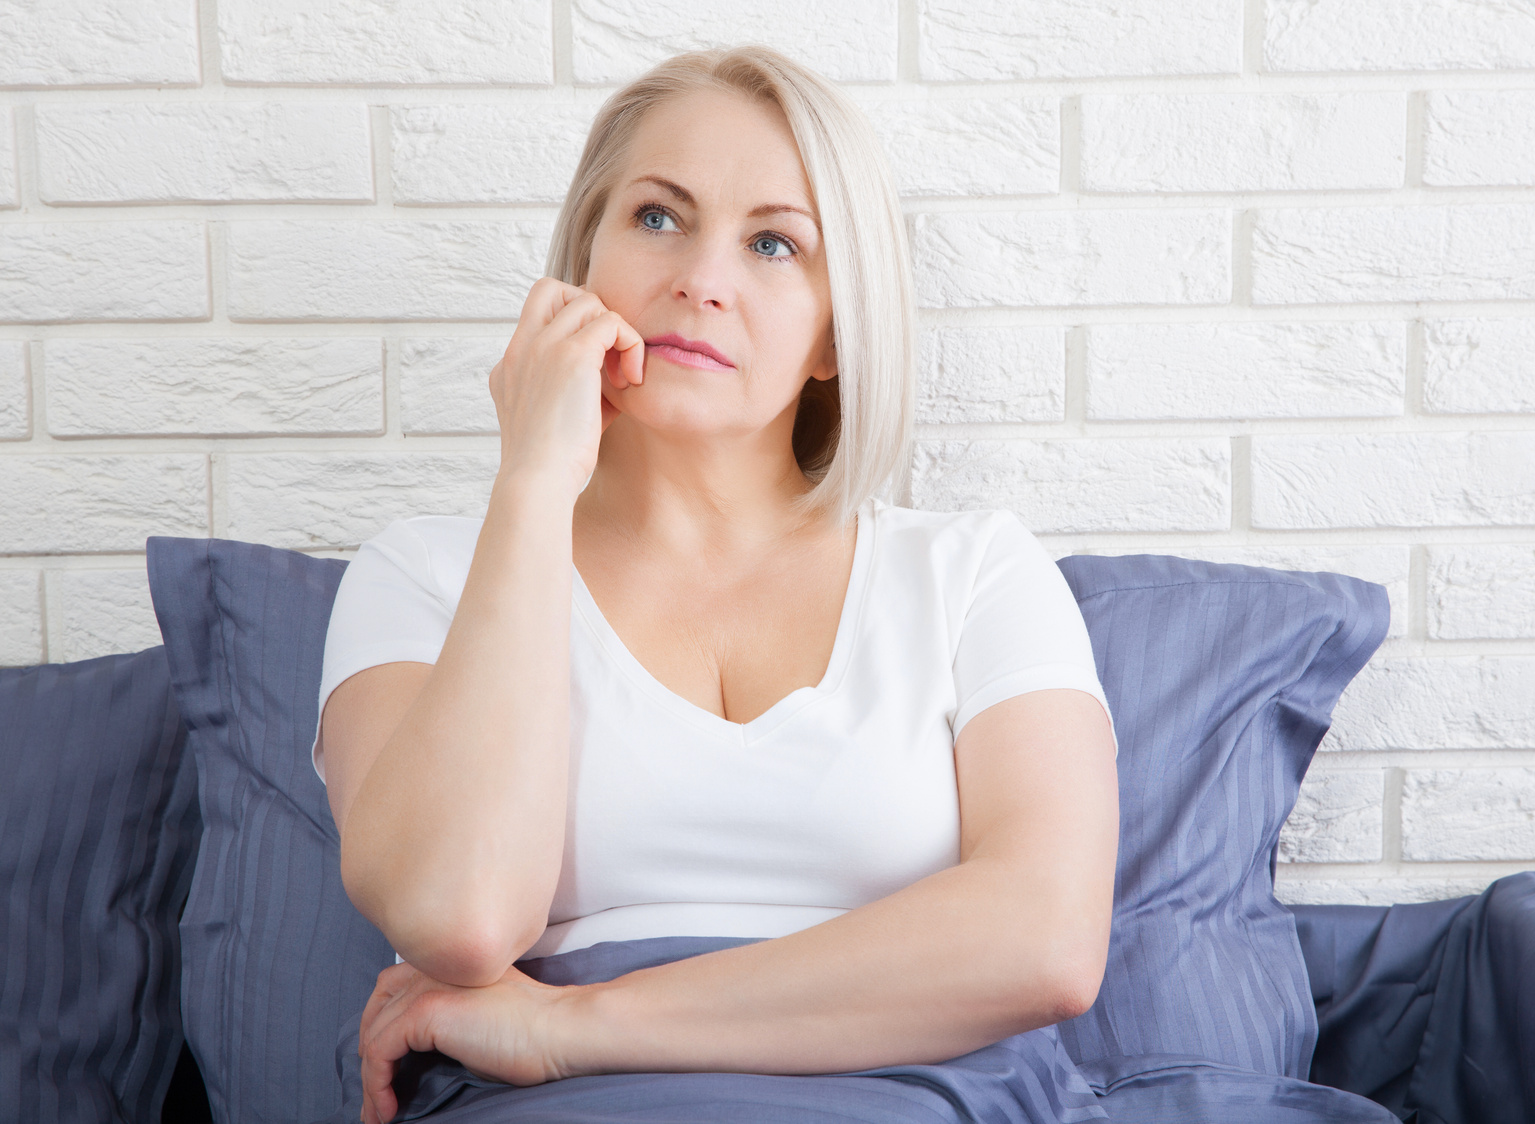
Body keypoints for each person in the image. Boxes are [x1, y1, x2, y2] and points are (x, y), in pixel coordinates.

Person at [312, 45, 1119, 1124]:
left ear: (836, 329)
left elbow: (1047, 938)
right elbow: (457, 918)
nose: (700, 278)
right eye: (655, 217)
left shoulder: (973, 572)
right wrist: (536, 480)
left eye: (774, 243)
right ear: (582, 261)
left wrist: (569, 1026)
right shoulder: (421, 573)